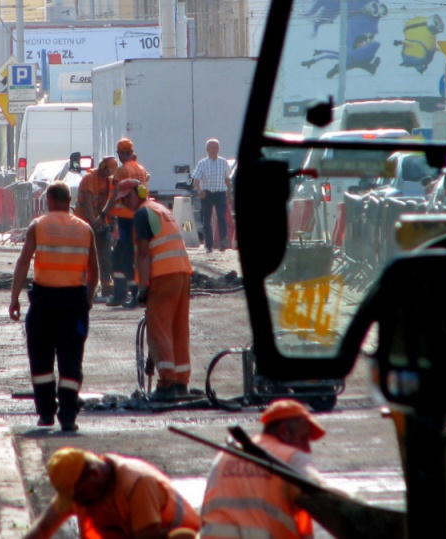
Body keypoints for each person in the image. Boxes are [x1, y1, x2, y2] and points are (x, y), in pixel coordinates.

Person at [200, 399, 405, 539]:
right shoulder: (288, 457)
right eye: (305, 438)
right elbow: (323, 493)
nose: (308, 448)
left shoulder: (226, 455)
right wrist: (363, 507)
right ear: (284, 431)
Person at [9, 181, 98, 431]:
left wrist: (14, 298)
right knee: (71, 359)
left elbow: (23, 263)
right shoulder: (85, 229)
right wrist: (87, 299)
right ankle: (68, 416)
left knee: (41, 359)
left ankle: (46, 414)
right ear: (69, 200)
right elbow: (95, 272)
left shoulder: (38, 226)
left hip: (44, 302)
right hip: (74, 302)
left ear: (49, 199)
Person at [113, 179, 192, 401]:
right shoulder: (160, 209)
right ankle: (180, 381)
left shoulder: (142, 214)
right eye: (122, 200)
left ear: (139, 193)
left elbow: (144, 254)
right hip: (182, 274)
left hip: (163, 277)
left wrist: (143, 287)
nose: (125, 203)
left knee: (159, 330)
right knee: (178, 329)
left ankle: (167, 383)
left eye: (127, 197)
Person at [24, 447, 200, 539]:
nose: (78, 502)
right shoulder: (80, 487)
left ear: (94, 474)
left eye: (79, 495)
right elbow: (43, 529)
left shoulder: (137, 483)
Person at [97, 138, 149, 308]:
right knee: (117, 256)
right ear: (132, 152)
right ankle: (119, 294)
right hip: (137, 216)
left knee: (126, 257)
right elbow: (146, 179)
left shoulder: (122, 170)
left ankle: (134, 294)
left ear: (119, 154)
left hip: (126, 219)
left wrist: (103, 214)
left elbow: (115, 196)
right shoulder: (140, 168)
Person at [76, 156, 117, 300]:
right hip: (85, 223)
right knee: (86, 257)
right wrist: (93, 222)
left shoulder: (108, 181)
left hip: (100, 223)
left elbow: (110, 203)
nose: (108, 175)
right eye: (108, 172)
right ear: (103, 167)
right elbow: (87, 203)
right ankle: (86, 290)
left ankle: (107, 287)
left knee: (105, 256)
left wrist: (111, 221)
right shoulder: (89, 178)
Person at [191, 138, 231, 253]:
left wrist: (229, 195)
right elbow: (196, 180)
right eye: (211, 147)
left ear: (219, 149)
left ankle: (223, 241)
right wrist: (199, 190)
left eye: (215, 147)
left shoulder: (223, 162)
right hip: (207, 194)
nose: (213, 150)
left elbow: (227, 179)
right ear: (207, 149)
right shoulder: (202, 163)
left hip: (220, 193)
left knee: (222, 217)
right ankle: (209, 246)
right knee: (206, 220)